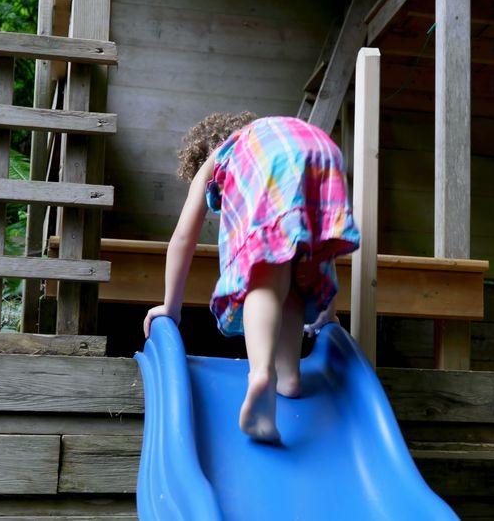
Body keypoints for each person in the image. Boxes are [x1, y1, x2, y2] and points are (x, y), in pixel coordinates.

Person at [142, 112, 360, 444]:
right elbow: (322, 253)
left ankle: (261, 375)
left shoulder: (227, 153)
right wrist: (327, 318)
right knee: (295, 260)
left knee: (263, 271)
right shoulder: (278, 131)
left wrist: (171, 307)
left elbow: (183, 238)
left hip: (276, 162)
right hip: (323, 152)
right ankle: (289, 377)